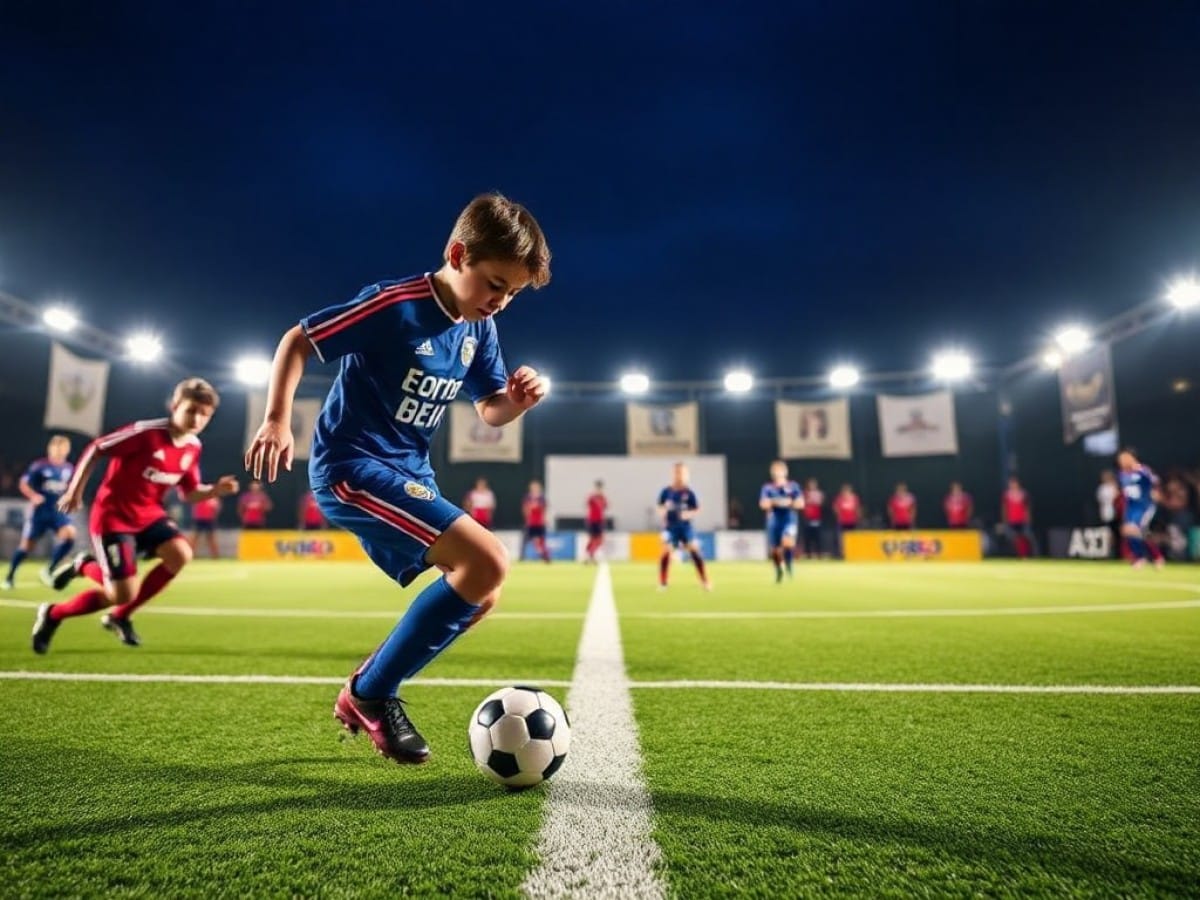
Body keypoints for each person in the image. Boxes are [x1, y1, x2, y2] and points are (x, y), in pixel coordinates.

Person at [244, 192, 551, 764]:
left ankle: (365, 690)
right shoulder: (395, 305)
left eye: (512, 293)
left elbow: (489, 410)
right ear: (458, 254)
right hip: (351, 467)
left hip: (411, 473)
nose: (501, 301)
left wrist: (517, 402)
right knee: (487, 562)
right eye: (495, 284)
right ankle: (372, 694)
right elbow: (299, 341)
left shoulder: (477, 326)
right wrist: (277, 420)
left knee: (481, 593)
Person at [32, 378, 239, 653]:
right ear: (175, 405)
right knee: (121, 593)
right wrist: (74, 491)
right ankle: (54, 612)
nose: (197, 418)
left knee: (181, 554)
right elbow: (97, 448)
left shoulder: (193, 446)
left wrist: (214, 490)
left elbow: (188, 492)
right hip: (113, 517)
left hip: (150, 515)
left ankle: (120, 615)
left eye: (205, 414)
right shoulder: (146, 433)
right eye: (191, 410)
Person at [4, 435, 76, 589]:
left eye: (63, 447)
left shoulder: (69, 468)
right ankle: (10, 576)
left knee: (70, 536)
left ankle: (49, 569)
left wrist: (73, 499)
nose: (60, 451)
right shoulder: (40, 466)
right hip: (40, 513)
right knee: (26, 547)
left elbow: (70, 488)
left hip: (58, 512)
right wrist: (33, 496)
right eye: (57, 447)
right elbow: (24, 483)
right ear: (51, 448)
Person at [657, 461, 711, 590]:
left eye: (681, 473)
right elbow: (660, 506)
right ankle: (663, 583)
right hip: (671, 527)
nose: (679, 475)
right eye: (677, 472)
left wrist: (688, 514)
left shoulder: (689, 493)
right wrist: (662, 512)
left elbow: (697, 508)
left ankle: (705, 581)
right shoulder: (666, 491)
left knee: (694, 549)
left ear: (686, 475)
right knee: (666, 550)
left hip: (686, 527)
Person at [1117, 449, 1164, 569]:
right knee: (1127, 531)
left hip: (1144, 506)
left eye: (1124, 458)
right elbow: (1127, 492)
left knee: (1136, 530)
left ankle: (1156, 556)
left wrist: (1156, 492)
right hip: (1132, 507)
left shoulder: (1142, 471)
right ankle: (1140, 557)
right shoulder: (1122, 474)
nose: (1121, 461)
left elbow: (1155, 481)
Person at [759, 460, 803, 583]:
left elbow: (800, 503)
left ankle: (789, 564)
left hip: (789, 519)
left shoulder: (793, 486)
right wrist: (777, 502)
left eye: (780, 471)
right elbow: (763, 504)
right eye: (775, 471)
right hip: (774, 520)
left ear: (785, 472)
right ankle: (779, 569)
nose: (778, 474)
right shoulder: (768, 488)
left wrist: (791, 503)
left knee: (788, 542)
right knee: (775, 550)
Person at [1002, 476, 1036, 557]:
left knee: (1027, 537)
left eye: (1014, 483)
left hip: (1022, 520)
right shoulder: (1006, 494)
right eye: (1011, 483)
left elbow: (1027, 507)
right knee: (1014, 539)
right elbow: (1004, 508)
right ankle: (1018, 554)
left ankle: (1030, 554)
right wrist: (1005, 519)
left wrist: (1028, 518)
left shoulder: (1024, 493)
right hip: (1011, 521)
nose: (1013, 485)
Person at [521, 479, 551, 562]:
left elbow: (544, 509)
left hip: (540, 522)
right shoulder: (528, 497)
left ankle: (545, 555)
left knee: (541, 540)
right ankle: (522, 556)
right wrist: (527, 518)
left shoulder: (541, 498)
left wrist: (545, 519)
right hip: (531, 522)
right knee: (527, 540)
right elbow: (525, 509)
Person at [1096, 470, 1120, 557]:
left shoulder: (1113, 487)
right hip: (1107, 514)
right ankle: (1110, 552)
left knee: (1116, 534)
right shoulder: (1102, 488)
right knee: (1109, 534)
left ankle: (1115, 552)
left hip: (1115, 514)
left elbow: (1118, 499)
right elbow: (1101, 502)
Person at [190, 494, 221, 558]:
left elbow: (216, 509)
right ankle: (191, 554)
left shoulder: (213, 498)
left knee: (211, 538)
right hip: (199, 519)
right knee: (195, 538)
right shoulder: (198, 497)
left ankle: (215, 556)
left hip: (209, 520)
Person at [584, 479, 608, 563]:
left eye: (600, 488)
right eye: (598, 488)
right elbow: (588, 504)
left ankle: (590, 554)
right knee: (592, 539)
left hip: (600, 521)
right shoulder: (591, 497)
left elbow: (605, 506)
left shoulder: (603, 497)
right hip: (591, 521)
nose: (599, 490)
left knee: (600, 540)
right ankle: (589, 555)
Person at [801, 477, 824, 559]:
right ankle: (808, 555)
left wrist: (814, 500)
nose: (812, 486)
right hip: (807, 518)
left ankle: (819, 554)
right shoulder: (805, 493)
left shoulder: (819, 493)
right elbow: (802, 503)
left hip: (816, 519)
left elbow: (819, 502)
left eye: (814, 484)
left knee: (817, 538)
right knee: (807, 538)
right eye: (811, 484)